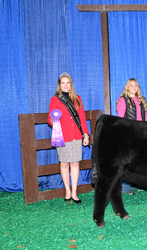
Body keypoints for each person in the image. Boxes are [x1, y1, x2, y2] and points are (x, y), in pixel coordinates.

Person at [47, 72, 90, 204]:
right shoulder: (55, 99)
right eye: (63, 83)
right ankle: (67, 191)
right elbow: (49, 118)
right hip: (62, 136)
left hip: (76, 135)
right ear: (59, 85)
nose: (66, 85)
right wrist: (53, 122)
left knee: (75, 163)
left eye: (68, 83)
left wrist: (86, 134)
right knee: (64, 164)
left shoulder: (78, 98)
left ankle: (75, 192)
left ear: (71, 85)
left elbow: (82, 118)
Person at [116, 78, 147, 195]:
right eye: (131, 85)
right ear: (127, 87)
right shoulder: (123, 100)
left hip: (142, 134)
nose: (134, 87)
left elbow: (145, 118)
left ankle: (139, 183)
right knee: (127, 162)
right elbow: (120, 120)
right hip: (128, 135)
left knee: (139, 161)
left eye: (136, 85)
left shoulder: (141, 100)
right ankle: (125, 186)